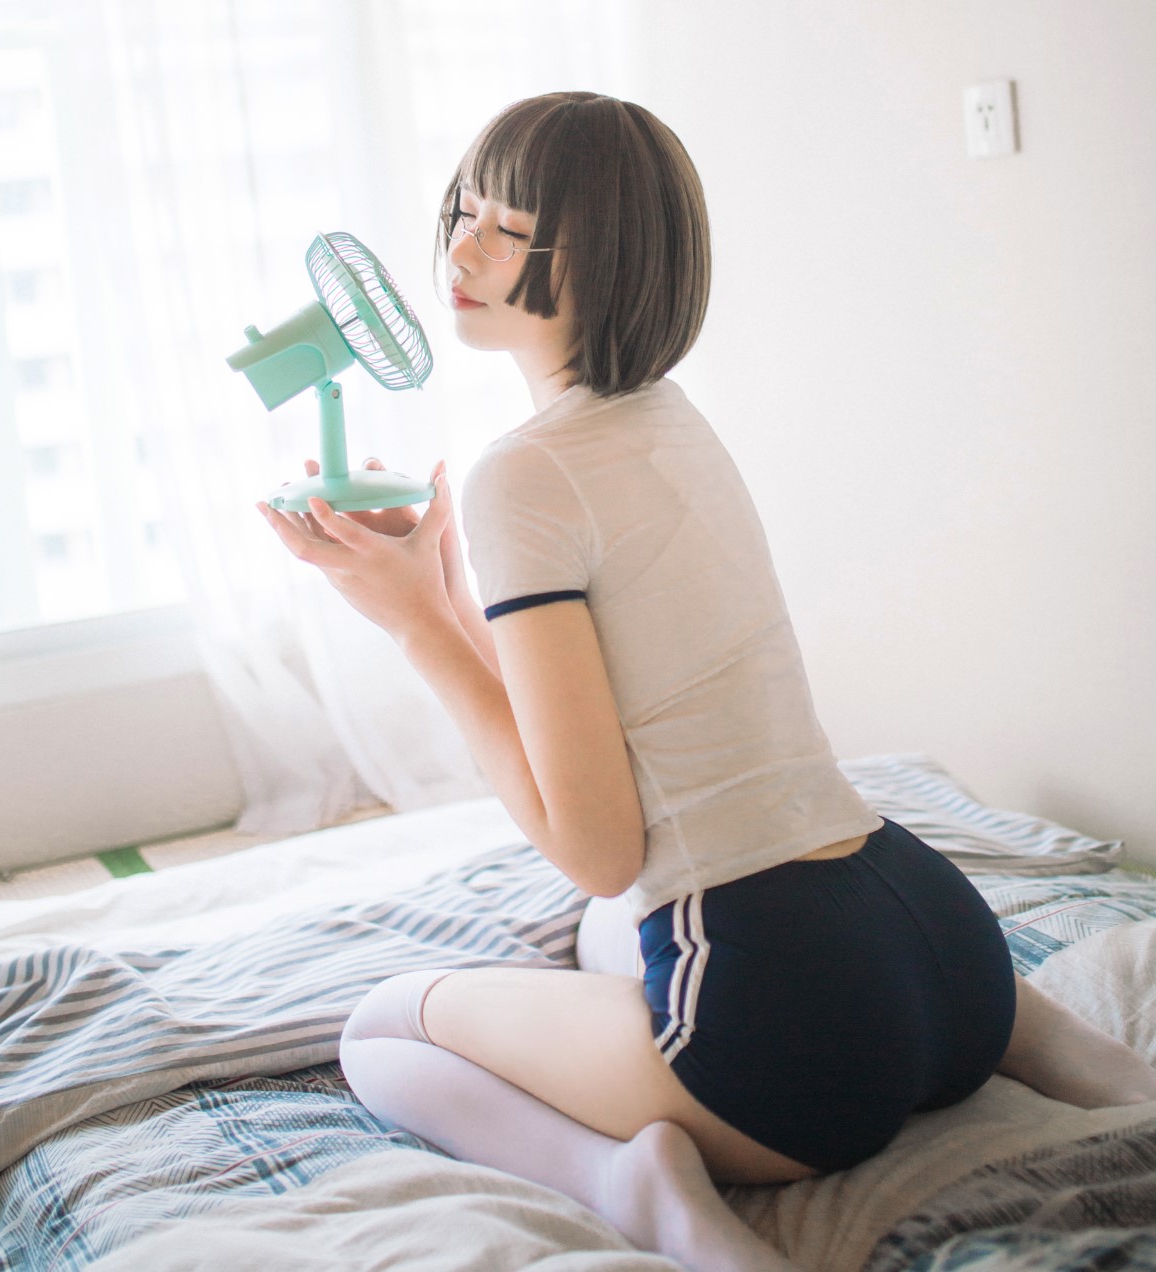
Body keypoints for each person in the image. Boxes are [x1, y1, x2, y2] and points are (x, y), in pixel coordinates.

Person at [260, 91, 1156, 1272]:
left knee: (382, 1036)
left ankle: (632, 1184)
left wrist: (418, 627)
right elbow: (601, 719)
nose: (461, 256)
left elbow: (597, 847)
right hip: (942, 947)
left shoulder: (522, 474)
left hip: (792, 1037)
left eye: (508, 232)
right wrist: (442, 593)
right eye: (461, 214)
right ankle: (1080, 1060)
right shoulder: (669, 421)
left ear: (607, 260)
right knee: (606, 936)